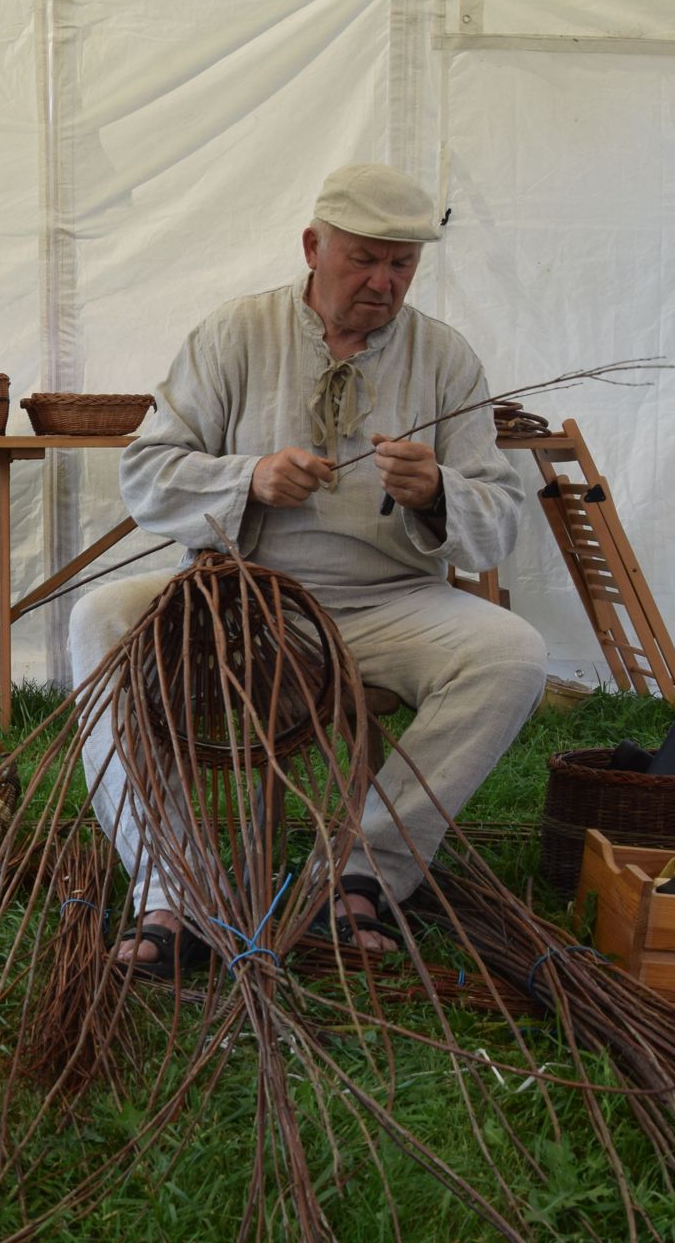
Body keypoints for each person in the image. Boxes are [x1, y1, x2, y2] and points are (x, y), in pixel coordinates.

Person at [70, 163, 545, 974]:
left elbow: (498, 516)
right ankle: (173, 887)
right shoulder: (235, 336)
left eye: (402, 264)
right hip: (241, 600)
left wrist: (438, 493)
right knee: (99, 619)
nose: (383, 282)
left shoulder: (445, 358)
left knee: (512, 654)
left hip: (389, 603)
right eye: (364, 258)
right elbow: (145, 472)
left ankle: (361, 874)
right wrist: (245, 478)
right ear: (312, 247)